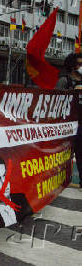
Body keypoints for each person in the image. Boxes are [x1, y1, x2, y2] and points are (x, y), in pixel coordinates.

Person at [55, 53, 82, 190]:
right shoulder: (64, 81)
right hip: (67, 127)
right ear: (72, 66)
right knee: (64, 155)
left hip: (81, 126)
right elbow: (55, 103)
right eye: (79, 64)